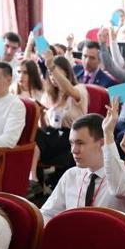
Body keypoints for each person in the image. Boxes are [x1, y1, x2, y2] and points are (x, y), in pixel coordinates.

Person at [40, 110, 125, 224]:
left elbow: (119, 190)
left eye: (80, 143)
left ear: (102, 144)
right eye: (72, 143)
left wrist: (108, 135)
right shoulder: (71, 175)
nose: (74, 150)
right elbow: (47, 213)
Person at [31, 52, 89, 190]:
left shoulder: (79, 89)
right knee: (34, 134)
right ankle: (33, 179)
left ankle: (54, 182)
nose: (53, 78)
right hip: (53, 136)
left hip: (72, 137)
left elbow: (69, 89)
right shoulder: (49, 95)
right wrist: (40, 115)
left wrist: (51, 67)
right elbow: (46, 127)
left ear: (67, 75)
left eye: (58, 74)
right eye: (51, 75)